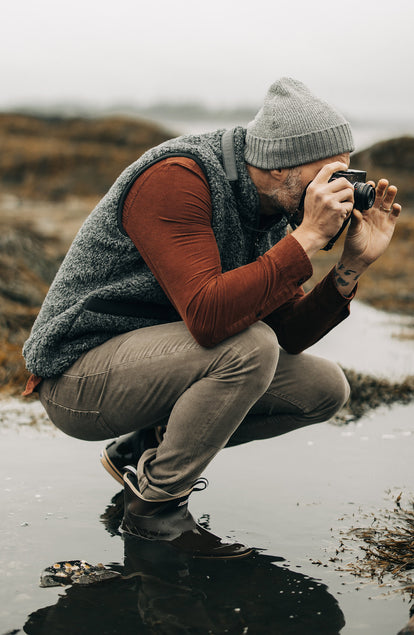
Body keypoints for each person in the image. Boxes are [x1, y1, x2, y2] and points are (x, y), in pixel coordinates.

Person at [22, 77, 401, 559]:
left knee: (325, 388)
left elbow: (289, 332)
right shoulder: (178, 177)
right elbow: (208, 318)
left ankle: (144, 451)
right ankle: (155, 513)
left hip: (160, 367)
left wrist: (350, 266)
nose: (338, 190)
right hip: (78, 374)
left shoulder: (268, 208)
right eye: (328, 174)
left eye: (345, 175)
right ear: (279, 162)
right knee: (249, 348)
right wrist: (306, 238)